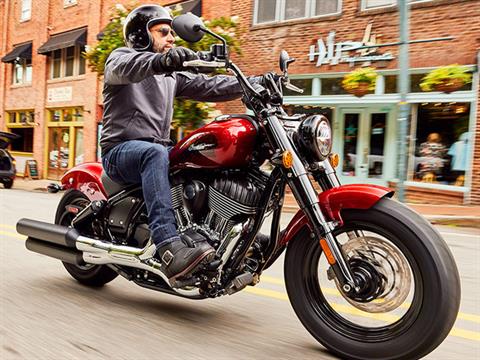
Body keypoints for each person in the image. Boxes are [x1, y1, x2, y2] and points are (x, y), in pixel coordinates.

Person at [100, 4, 259, 284]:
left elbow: (210, 86)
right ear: (140, 35)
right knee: (153, 152)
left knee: (201, 157)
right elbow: (128, 68)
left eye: (172, 33)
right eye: (163, 32)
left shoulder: (169, 76)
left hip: (157, 150)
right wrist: (162, 61)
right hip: (120, 151)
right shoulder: (121, 59)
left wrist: (255, 83)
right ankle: (167, 246)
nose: (172, 38)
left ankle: (225, 233)